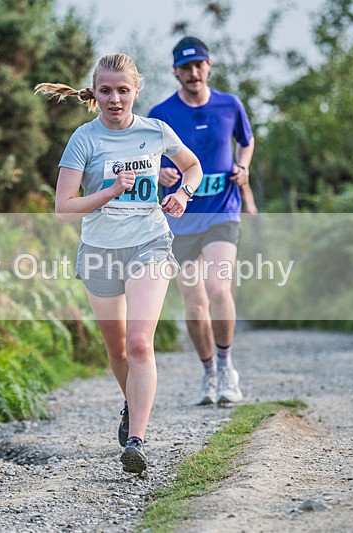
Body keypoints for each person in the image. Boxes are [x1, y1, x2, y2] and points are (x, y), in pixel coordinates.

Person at [35, 53, 203, 475]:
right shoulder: (83, 139)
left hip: (149, 242)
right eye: (106, 90)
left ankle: (137, 440)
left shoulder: (156, 130)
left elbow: (192, 166)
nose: (114, 99)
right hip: (99, 250)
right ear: (95, 91)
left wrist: (184, 192)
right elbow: (63, 209)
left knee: (140, 342)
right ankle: (131, 401)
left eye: (123, 90)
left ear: (136, 91)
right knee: (117, 349)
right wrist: (109, 192)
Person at [148, 36, 255, 406]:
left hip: (222, 211)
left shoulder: (230, 105)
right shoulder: (161, 113)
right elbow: (145, 159)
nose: (193, 73)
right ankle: (209, 372)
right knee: (194, 304)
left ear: (209, 66)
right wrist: (157, 174)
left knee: (218, 288)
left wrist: (244, 166)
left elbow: (247, 139)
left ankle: (227, 367)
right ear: (175, 71)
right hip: (179, 219)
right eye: (185, 67)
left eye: (199, 65)